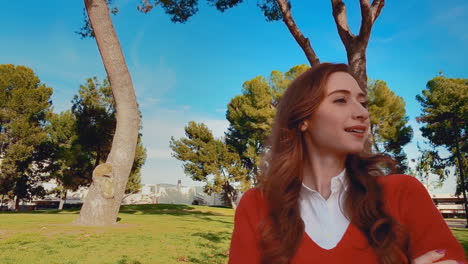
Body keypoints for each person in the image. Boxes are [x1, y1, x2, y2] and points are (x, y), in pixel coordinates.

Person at [228, 63, 466, 264]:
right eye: (341, 100)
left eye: (363, 103)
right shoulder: (256, 205)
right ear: (303, 120)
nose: (362, 113)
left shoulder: (404, 193)